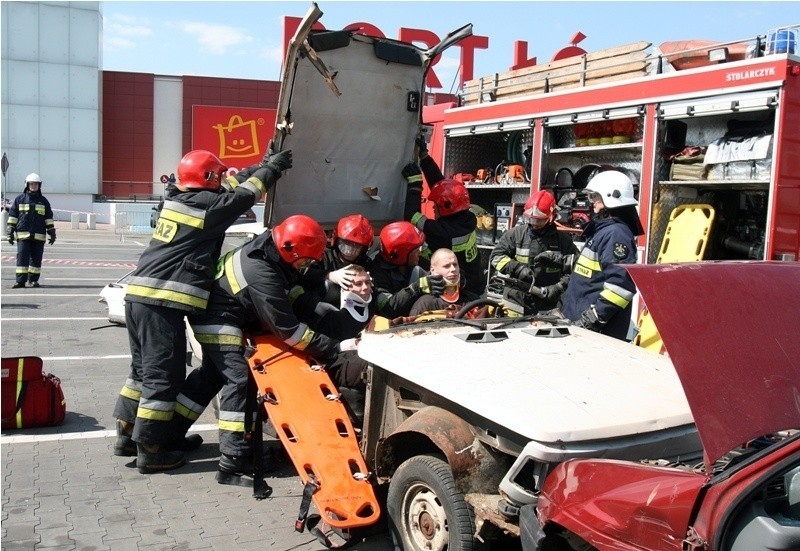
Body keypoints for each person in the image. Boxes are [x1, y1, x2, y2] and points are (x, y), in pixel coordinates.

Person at [112, 147, 292, 474]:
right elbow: (242, 196)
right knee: (162, 376)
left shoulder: (179, 199)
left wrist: (260, 164)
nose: (222, 180)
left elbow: (231, 183)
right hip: (160, 303)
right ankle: (152, 449)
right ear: (207, 179)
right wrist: (273, 170)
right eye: (217, 176)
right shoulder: (206, 207)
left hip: (139, 298)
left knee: (141, 372)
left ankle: (127, 434)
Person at [172, 214, 346, 486]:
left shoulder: (271, 252)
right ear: (291, 249)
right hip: (218, 320)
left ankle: (171, 433)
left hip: (217, 313)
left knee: (211, 375)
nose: (307, 266)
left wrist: (314, 306)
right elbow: (290, 332)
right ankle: (234, 458)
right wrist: (334, 348)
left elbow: (286, 290)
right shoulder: (259, 269)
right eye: (306, 260)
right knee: (238, 378)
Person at [561, 171, 643, 341]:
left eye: (595, 197)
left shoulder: (616, 234)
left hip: (598, 332)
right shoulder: (605, 230)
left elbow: (620, 287)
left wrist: (594, 318)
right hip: (583, 326)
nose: (591, 202)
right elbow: (594, 271)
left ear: (610, 197)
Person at [401, 138, 484, 295]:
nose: (433, 206)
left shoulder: (443, 231)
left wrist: (415, 184)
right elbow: (444, 188)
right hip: (474, 284)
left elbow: (411, 216)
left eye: (436, 206)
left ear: (446, 208)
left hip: (460, 291)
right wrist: (424, 158)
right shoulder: (466, 217)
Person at [489, 190, 577, 315]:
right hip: (515, 300)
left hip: (547, 303)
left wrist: (558, 288)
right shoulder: (515, 234)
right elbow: (496, 257)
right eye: (530, 219)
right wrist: (517, 268)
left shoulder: (563, 240)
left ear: (551, 217)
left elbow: (576, 269)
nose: (533, 224)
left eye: (538, 220)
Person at [369, 221, 445, 317]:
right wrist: (416, 288)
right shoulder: (376, 274)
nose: (420, 253)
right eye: (416, 250)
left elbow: (434, 276)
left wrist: (453, 280)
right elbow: (387, 308)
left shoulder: (412, 261)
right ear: (401, 254)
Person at [299, 213, 375, 300]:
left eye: (356, 245)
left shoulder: (366, 263)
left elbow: (377, 288)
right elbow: (302, 274)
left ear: (364, 249)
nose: (349, 249)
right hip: (322, 303)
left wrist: (369, 282)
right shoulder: (322, 256)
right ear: (336, 239)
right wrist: (328, 275)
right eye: (346, 242)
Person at [6, 173, 56, 288]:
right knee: (22, 258)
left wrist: (52, 232)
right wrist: (10, 231)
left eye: (36, 184)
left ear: (39, 186)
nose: (34, 186)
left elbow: (48, 217)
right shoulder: (20, 199)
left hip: (39, 235)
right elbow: (13, 216)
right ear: (27, 185)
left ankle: (33, 280)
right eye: (31, 184)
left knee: (36, 259)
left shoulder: (43, 201)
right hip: (23, 235)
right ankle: (20, 281)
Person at [409, 248, 482, 316]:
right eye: (446, 266)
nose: (453, 269)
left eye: (455, 265)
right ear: (433, 270)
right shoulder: (425, 304)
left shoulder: (473, 300)